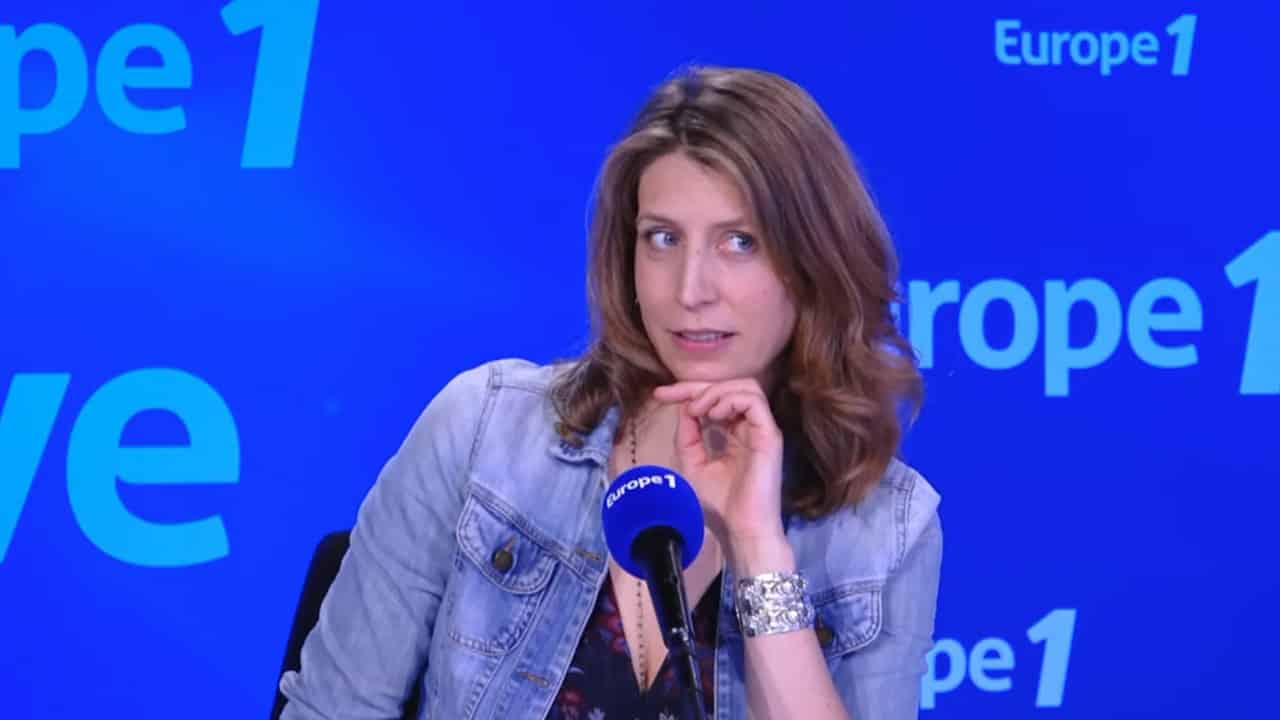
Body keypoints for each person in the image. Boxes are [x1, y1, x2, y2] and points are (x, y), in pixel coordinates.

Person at [279, 64, 942, 720]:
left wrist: (757, 545)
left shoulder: (886, 529)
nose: (690, 289)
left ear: (813, 262)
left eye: (740, 242)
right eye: (663, 239)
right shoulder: (482, 432)